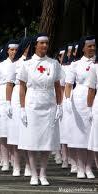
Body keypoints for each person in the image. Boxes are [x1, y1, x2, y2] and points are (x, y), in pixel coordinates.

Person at [18, 33, 63, 186]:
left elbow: (58, 87)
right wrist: (22, 108)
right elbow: (22, 88)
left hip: (49, 103)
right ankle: (33, 173)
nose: (44, 46)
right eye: (41, 43)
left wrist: (59, 106)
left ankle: (43, 173)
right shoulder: (27, 64)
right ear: (35, 45)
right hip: (32, 104)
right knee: (32, 140)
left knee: (47, 141)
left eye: (46, 43)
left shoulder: (54, 63)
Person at [65, 35, 96, 179]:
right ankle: (79, 166)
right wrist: (66, 100)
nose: (92, 48)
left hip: (94, 99)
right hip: (78, 99)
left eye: (94, 46)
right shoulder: (75, 64)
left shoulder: (96, 63)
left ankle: (89, 167)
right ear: (83, 47)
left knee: (91, 134)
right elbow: (69, 85)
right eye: (89, 46)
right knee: (80, 134)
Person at [0, 39, 18, 172]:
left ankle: (15, 159)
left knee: (15, 131)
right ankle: (5, 160)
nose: (14, 52)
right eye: (11, 50)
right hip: (1, 98)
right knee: (3, 132)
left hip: (16, 97)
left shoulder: (21, 64)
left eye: (16, 50)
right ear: (7, 51)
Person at [6, 37, 32, 177]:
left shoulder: (34, 61)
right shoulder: (16, 63)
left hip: (32, 96)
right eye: (28, 46)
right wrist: (8, 103)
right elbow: (10, 84)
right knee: (16, 133)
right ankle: (16, 165)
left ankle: (29, 165)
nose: (29, 48)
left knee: (29, 133)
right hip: (17, 96)